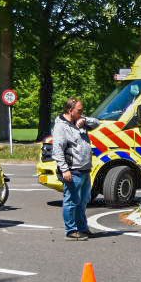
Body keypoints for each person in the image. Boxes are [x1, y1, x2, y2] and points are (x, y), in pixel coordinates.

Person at [52, 97, 100, 240]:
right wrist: (65, 169)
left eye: (82, 111)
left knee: (84, 200)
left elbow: (97, 123)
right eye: (79, 111)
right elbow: (58, 150)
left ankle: (82, 228)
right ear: (70, 110)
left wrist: (84, 120)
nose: (81, 113)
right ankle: (71, 230)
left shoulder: (80, 121)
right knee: (72, 201)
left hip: (85, 169)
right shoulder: (61, 127)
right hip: (73, 170)